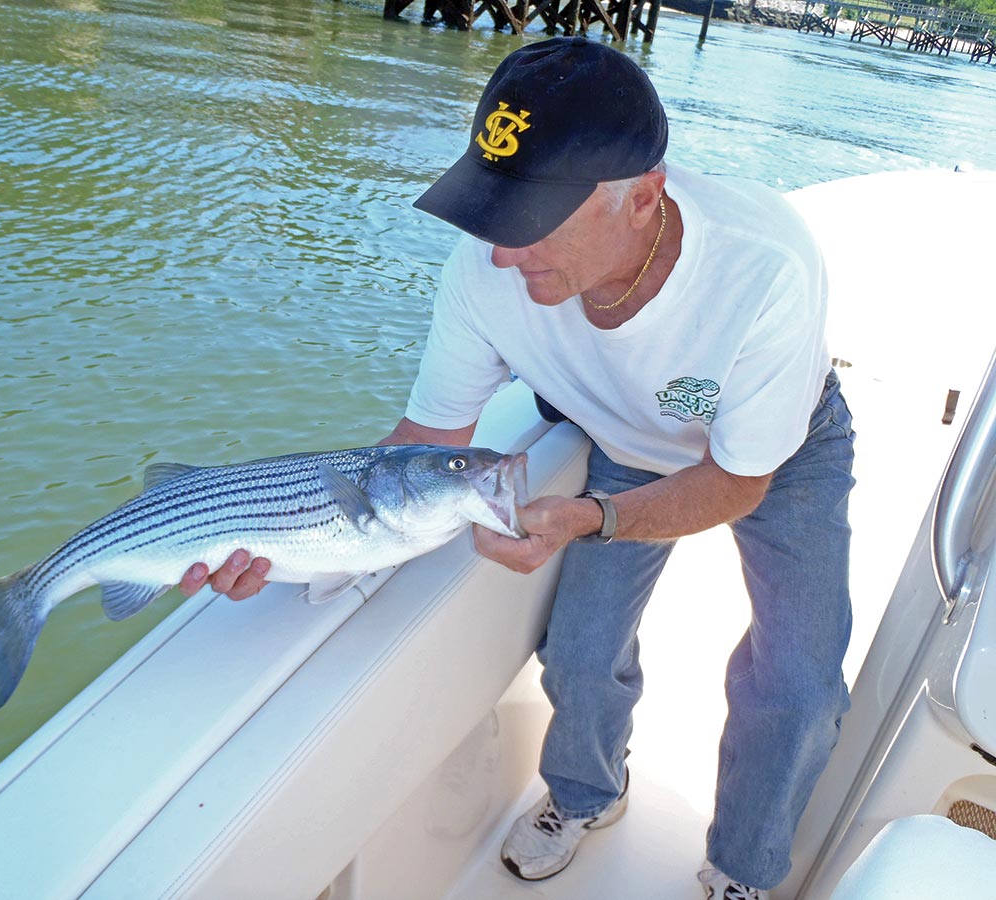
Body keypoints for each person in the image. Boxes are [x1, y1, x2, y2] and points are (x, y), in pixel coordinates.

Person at [181, 36, 855, 900]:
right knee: (577, 652)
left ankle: (743, 871)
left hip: (781, 452)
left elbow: (735, 485)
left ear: (643, 198)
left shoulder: (766, 269)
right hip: (619, 436)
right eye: (494, 211)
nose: (502, 254)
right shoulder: (483, 270)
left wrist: (595, 519)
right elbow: (424, 436)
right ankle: (582, 795)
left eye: (530, 221)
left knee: (797, 680)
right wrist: (276, 537)